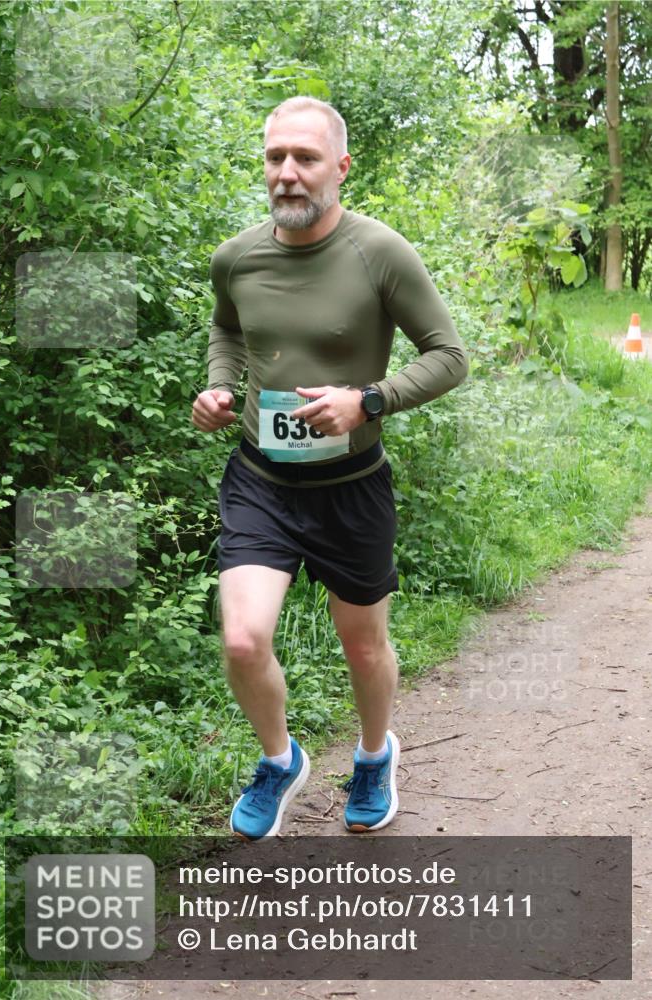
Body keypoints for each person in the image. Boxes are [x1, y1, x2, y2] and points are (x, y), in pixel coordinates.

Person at [192, 96, 469, 841]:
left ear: (340, 168)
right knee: (244, 639)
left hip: (350, 489)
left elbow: (448, 358)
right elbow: (226, 328)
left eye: (305, 158)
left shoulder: (378, 252)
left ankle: (375, 755)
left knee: (362, 644)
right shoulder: (236, 256)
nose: (287, 173)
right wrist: (221, 386)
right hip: (260, 481)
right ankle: (280, 761)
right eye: (275, 157)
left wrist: (367, 401)